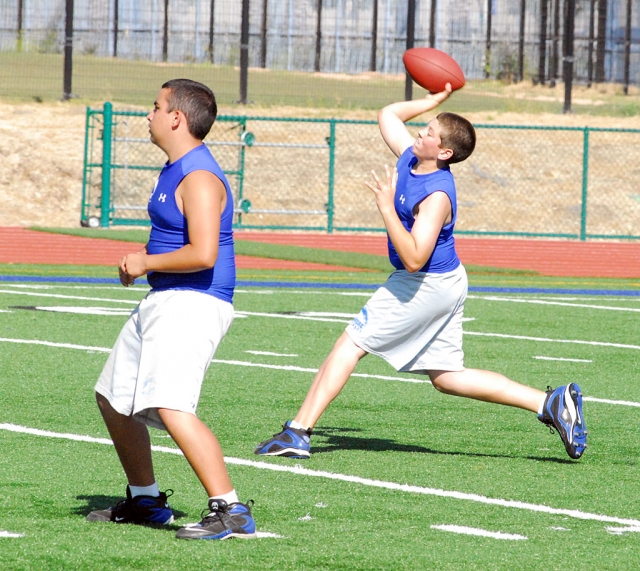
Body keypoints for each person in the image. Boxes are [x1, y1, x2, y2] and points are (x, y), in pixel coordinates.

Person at [255, 84, 587, 462]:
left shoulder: (437, 194)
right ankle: (550, 403)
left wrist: (384, 207)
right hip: (439, 282)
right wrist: (431, 103)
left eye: (429, 132)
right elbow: (388, 115)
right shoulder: (409, 158)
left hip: (424, 283)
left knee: (349, 344)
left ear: (444, 152)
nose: (420, 133)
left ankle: (298, 431)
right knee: (446, 377)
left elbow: (414, 258)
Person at [86, 78, 256, 540]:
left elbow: (204, 253)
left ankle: (231, 510)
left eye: (156, 106)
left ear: (177, 117)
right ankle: (145, 498)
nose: (149, 114)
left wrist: (145, 262)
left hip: (194, 302)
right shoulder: (174, 168)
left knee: (172, 405)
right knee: (113, 397)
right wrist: (144, 265)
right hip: (166, 298)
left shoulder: (199, 176)